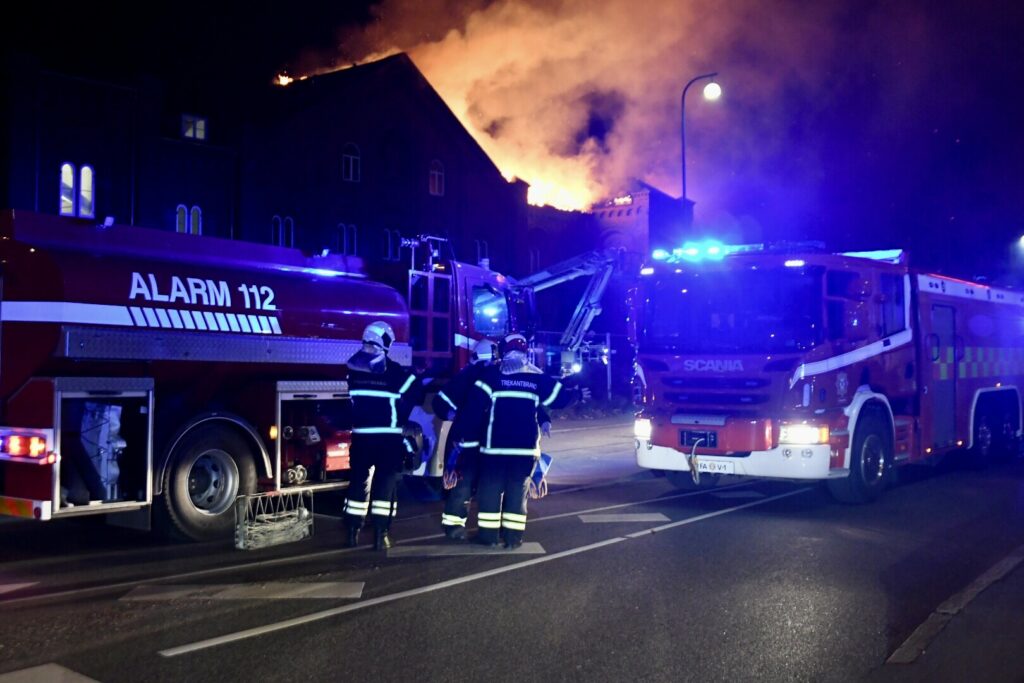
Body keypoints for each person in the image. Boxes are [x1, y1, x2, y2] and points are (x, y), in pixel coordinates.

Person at [464, 333, 577, 549]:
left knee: (489, 491)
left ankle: (488, 537)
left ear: (502, 351)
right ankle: (513, 539)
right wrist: (575, 391)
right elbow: (561, 399)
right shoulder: (537, 379)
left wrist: (465, 438)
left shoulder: (491, 376)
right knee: (517, 493)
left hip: (494, 449)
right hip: (525, 451)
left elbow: (473, 409)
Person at [433, 338, 552, 540]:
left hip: (490, 443)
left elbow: (526, 402)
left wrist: (544, 419)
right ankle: (454, 525)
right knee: (463, 484)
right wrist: (456, 416)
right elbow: (441, 403)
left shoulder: (497, 376)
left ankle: (491, 529)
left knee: (491, 486)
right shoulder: (469, 376)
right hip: (467, 443)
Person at [343, 321, 423, 550]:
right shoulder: (395, 372)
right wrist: (415, 374)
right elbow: (414, 391)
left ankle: (352, 533)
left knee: (357, 483)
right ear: (385, 342)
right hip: (388, 437)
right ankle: (381, 536)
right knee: (384, 485)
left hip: (361, 436)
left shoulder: (353, 370)